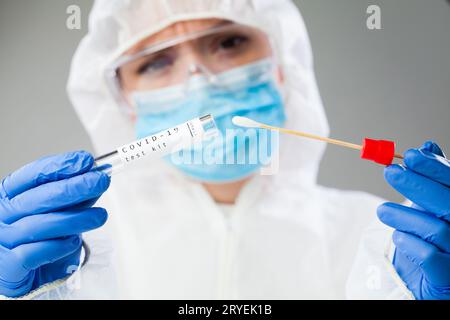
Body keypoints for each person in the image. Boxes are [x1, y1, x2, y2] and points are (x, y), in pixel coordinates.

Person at [0, 0, 448, 300]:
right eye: (156, 61)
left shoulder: (387, 241)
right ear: (123, 102)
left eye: (229, 42)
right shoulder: (74, 247)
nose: (199, 80)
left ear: (282, 64)